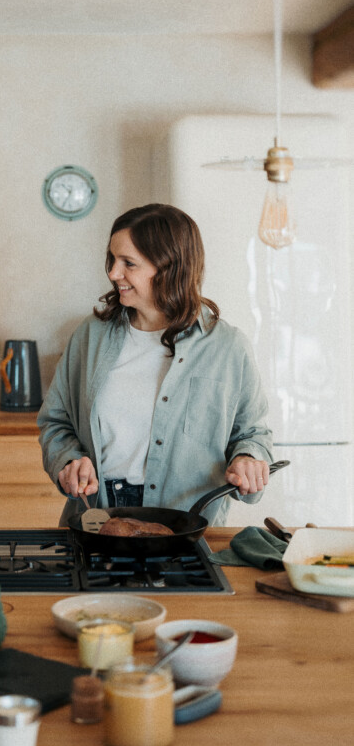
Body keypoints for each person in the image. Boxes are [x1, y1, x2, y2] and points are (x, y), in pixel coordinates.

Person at [37, 203, 273, 526]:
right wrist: (70, 460)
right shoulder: (90, 337)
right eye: (112, 260)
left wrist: (249, 458)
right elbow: (55, 421)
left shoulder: (228, 348)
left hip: (188, 529)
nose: (113, 273)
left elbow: (253, 434)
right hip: (96, 523)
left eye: (128, 264)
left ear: (169, 268)